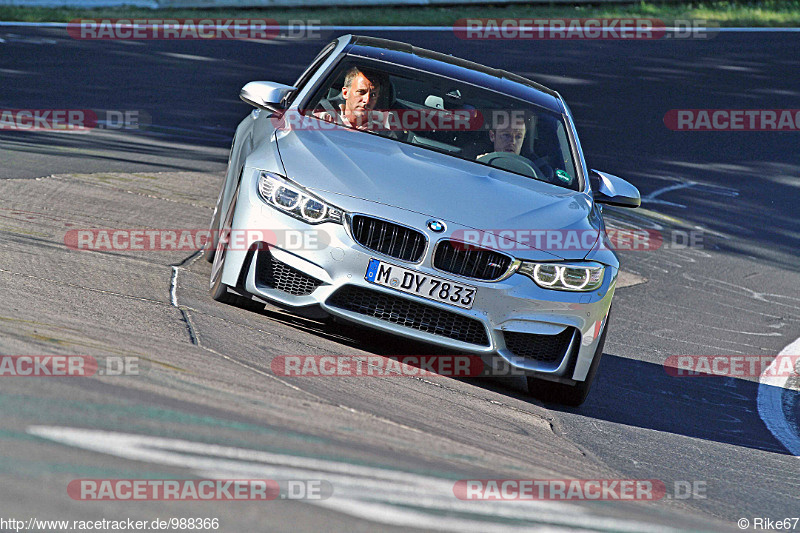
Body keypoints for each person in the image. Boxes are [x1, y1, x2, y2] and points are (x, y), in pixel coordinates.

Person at [314, 66, 390, 131]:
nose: (366, 101)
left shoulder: (383, 134)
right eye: (361, 92)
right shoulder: (323, 120)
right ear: (345, 93)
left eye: (373, 95)